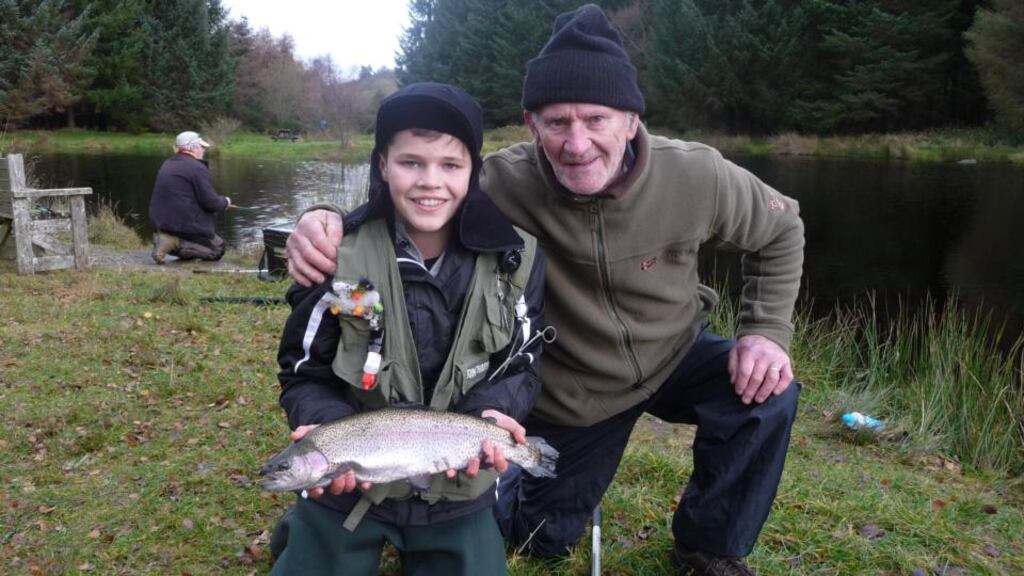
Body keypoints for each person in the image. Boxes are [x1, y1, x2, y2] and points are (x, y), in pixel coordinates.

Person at [285, 5, 804, 574]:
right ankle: (365, 511)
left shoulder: (699, 176)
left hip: (678, 353)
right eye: (557, 122)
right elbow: (413, 189)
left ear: (631, 120)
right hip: (579, 396)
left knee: (768, 394)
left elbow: (782, 229)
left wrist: (766, 332)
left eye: (596, 119)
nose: (576, 144)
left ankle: (707, 546)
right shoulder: (498, 181)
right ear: (532, 125)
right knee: (536, 541)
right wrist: (324, 218)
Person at [269, 82, 546, 575]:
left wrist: (496, 414)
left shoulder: (514, 259)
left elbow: (522, 367)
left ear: (473, 173)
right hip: (349, 494)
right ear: (381, 166)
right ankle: (306, 529)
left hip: (458, 487)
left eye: (450, 165)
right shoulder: (339, 256)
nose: (429, 181)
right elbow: (303, 374)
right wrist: (326, 426)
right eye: (410, 162)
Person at [148, 131, 230, 264]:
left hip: (163, 223)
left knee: (207, 243)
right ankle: (173, 242)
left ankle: (168, 239)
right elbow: (211, 203)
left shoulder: (167, 163)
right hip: (183, 224)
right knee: (218, 249)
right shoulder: (197, 168)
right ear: (192, 148)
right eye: (201, 147)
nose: (203, 150)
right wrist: (225, 202)